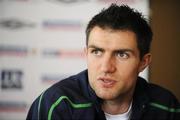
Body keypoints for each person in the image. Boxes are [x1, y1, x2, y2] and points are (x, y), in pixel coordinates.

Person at [26, 4, 180, 120]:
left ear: (143, 62)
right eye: (97, 52)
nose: (106, 67)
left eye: (122, 54)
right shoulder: (56, 104)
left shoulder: (166, 106)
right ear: (86, 54)